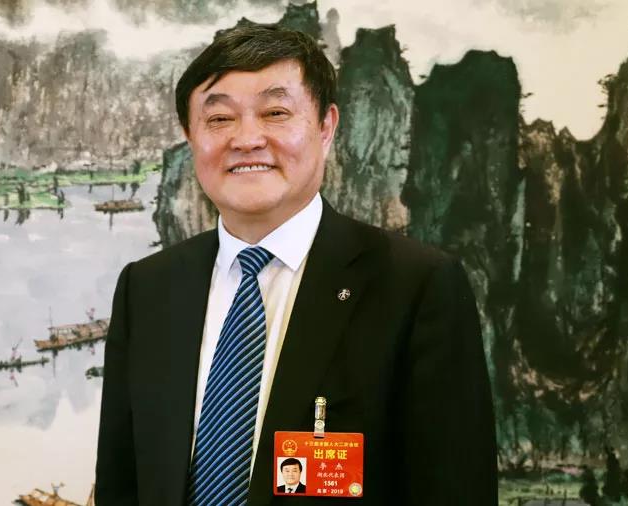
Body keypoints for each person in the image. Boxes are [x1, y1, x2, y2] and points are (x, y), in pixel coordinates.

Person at [95, 23, 497, 506]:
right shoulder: (147, 289)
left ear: (326, 127)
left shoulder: (415, 287)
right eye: (219, 118)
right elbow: (122, 484)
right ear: (190, 136)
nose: (247, 139)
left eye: (276, 113)